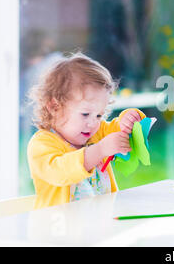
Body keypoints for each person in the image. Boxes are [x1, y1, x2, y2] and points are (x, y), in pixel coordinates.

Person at [27, 53, 145, 209]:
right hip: (58, 230)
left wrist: (128, 120)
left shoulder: (96, 131)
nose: (93, 122)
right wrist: (100, 150)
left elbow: (121, 131)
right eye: (85, 114)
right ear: (54, 107)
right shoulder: (41, 144)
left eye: (99, 115)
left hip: (101, 225)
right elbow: (60, 172)